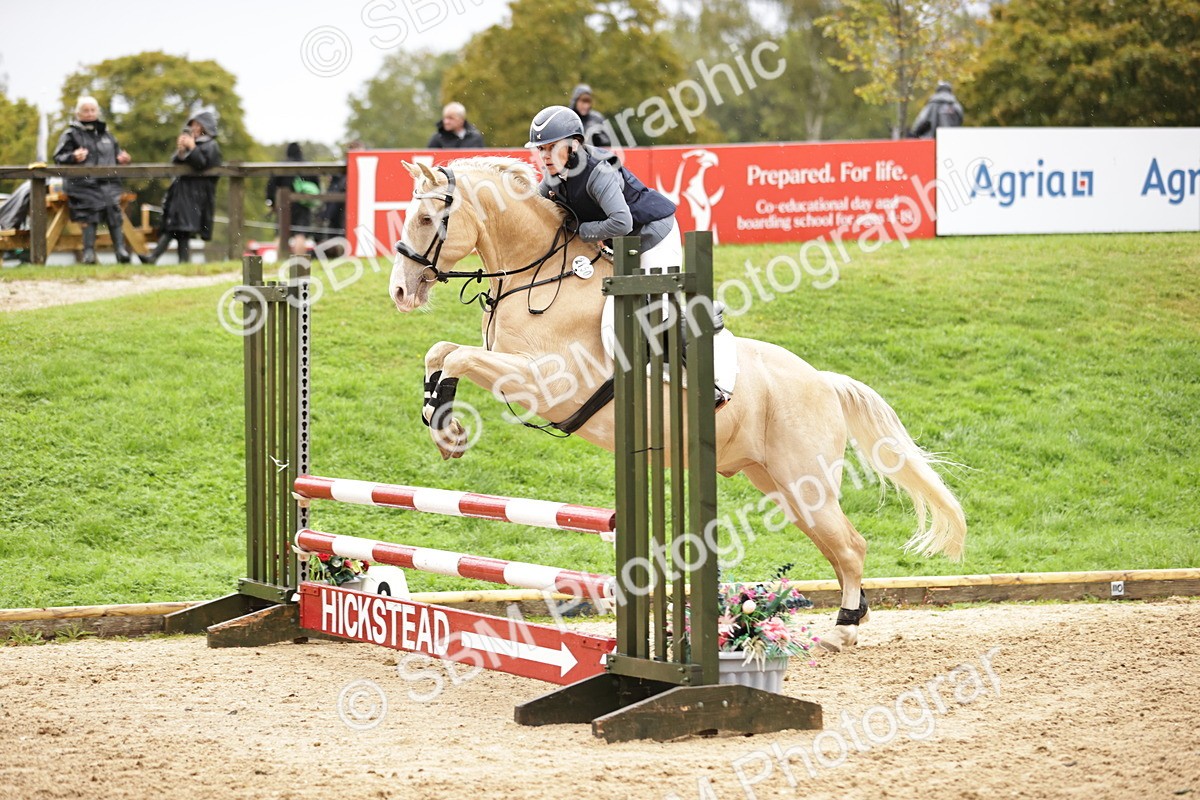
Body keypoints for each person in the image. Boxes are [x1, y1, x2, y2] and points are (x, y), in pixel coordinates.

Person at [52, 96, 132, 263]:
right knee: (90, 207)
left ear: (97, 112)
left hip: (108, 183)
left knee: (112, 206)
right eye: (85, 110)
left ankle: (120, 250)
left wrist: (123, 159)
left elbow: (116, 155)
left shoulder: (107, 135)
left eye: (92, 110)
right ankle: (88, 252)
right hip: (81, 184)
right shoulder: (70, 134)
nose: (89, 113)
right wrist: (73, 156)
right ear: (78, 113)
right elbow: (58, 157)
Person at [141, 111, 223, 264]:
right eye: (193, 125)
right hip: (180, 192)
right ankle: (181, 261)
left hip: (196, 195)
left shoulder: (211, 145)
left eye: (198, 125)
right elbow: (175, 163)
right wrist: (181, 150)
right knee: (179, 228)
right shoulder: (192, 143)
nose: (195, 128)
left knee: (178, 227)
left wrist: (192, 148)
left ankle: (154, 257)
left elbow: (201, 165)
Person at [266, 143, 321, 253]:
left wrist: (272, 203)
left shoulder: (281, 166)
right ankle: (299, 264)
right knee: (300, 234)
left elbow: (270, 187)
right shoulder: (308, 166)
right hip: (303, 205)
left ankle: (279, 262)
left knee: (280, 234)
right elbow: (316, 186)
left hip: (283, 205)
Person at [569, 84, 611, 149]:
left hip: (593, 156)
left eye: (588, 102)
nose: (586, 106)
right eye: (583, 101)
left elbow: (608, 141)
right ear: (575, 101)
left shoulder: (597, 119)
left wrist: (598, 139)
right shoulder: (567, 117)